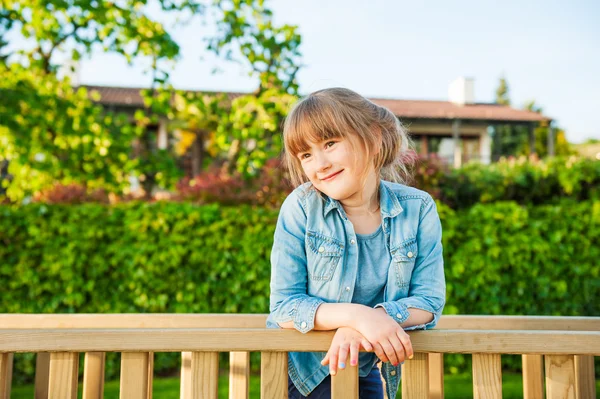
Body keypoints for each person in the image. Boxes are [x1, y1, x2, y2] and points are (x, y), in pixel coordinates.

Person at [266, 87, 446, 399]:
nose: (319, 164)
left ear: (374, 139)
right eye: (306, 154)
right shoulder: (301, 207)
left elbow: (428, 303)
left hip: (364, 369)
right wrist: (358, 317)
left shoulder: (418, 209)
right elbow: (284, 308)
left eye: (330, 143)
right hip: (307, 375)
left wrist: (364, 324)